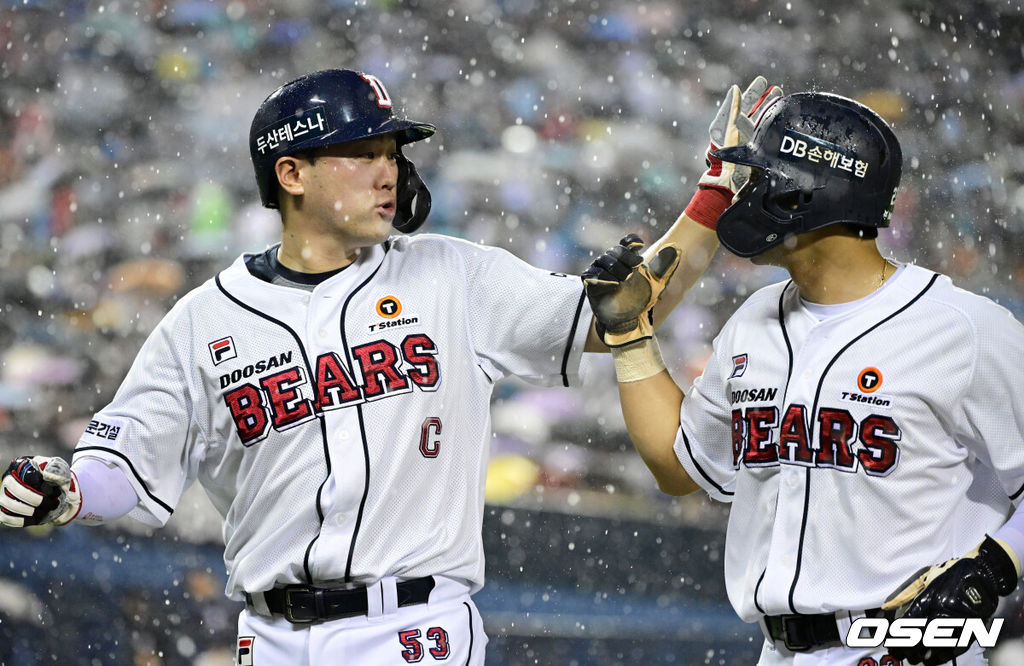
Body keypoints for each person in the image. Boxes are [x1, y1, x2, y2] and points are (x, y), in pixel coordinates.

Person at [0, 68, 738, 664]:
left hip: (415, 631)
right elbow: (126, 461)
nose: (387, 172)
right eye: (362, 155)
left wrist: (710, 201)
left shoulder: (455, 278)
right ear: (291, 172)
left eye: (392, 155)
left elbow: (627, 312)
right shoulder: (205, 319)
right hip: (272, 636)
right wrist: (68, 490)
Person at [583, 89, 1024, 665]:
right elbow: (679, 466)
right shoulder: (754, 321)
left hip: (906, 650)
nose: (743, 194)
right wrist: (631, 338)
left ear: (802, 194)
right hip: (779, 650)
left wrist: (992, 568)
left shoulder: (966, 330)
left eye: (760, 177)